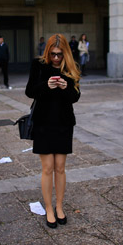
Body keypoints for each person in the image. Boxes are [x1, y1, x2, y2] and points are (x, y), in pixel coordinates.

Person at [25, 34, 81, 229]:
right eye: (53, 54)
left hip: (64, 123)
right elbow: (30, 91)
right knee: (47, 168)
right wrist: (46, 85)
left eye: (59, 54)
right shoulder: (38, 65)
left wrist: (66, 87)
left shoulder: (70, 67)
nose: (56, 58)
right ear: (48, 51)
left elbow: (76, 96)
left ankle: (59, 207)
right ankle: (48, 208)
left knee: (60, 167)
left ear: (65, 52)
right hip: (43, 123)